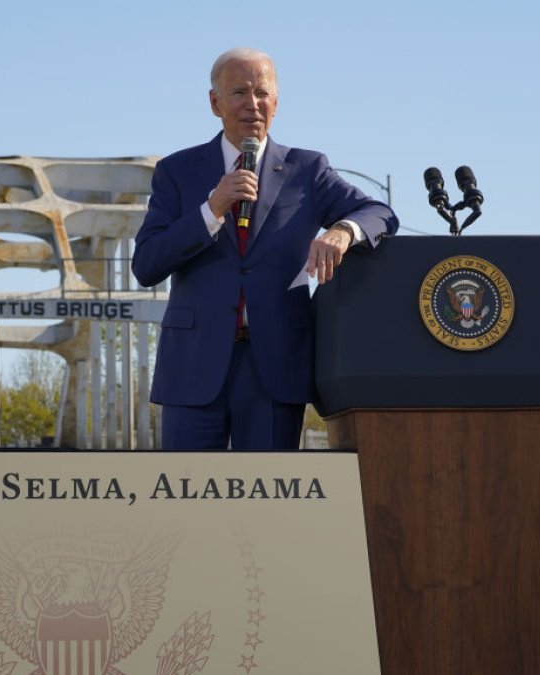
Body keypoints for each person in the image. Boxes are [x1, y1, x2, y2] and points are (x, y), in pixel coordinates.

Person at [131, 47, 398, 450]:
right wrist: (211, 209)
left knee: (270, 505)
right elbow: (147, 264)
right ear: (214, 103)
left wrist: (342, 231)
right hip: (192, 366)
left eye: (263, 93)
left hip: (274, 369)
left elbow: (378, 213)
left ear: (276, 103)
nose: (252, 104)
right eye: (239, 92)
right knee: (184, 502)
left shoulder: (307, 169)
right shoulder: (177, 171)